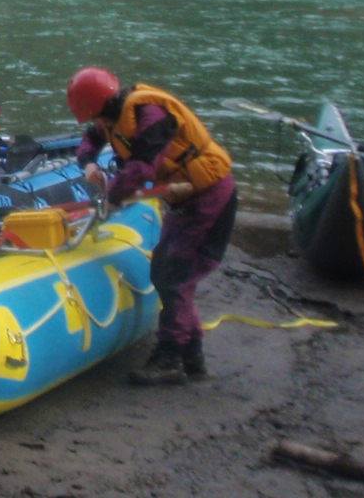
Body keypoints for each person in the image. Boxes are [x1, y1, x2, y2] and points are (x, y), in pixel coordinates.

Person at [68, 66, 237, 385]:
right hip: (183, 200)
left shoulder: (151, 115)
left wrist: (114, 196)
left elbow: (142, 167)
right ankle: (191, 356)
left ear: (96, 105)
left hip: (208, 196)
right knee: (168, 271)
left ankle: (171, 355)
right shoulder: (111, 116)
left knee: (174, 273)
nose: (95, 125)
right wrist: (89, 164)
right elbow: (90, 140)